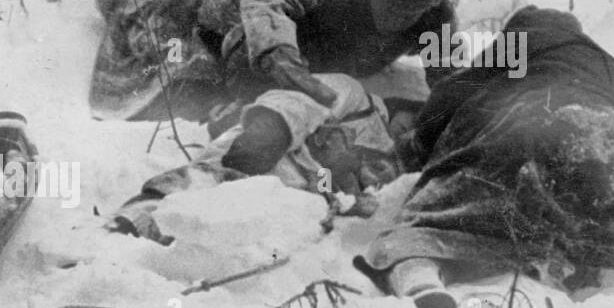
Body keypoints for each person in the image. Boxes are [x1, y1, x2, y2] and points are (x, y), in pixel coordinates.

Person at [353, 6, 614, 308]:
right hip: (610, 146)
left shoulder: (529, 39)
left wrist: (412, 151)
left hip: (530, 129)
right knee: (580, 211)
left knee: (441, 215)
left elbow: (452, 95)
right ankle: (563, 257)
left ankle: (418, 274)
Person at [46, 0, 455, 123]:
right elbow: (268, 0)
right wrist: (278, 54)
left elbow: (449, 80)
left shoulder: (435, 21)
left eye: (413, 5)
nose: (399, 12)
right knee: (151, 33)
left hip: (295, 44)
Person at [109, 73, 416, 241]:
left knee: (216, 227)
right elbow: (301, 97)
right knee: (204, 181)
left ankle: (160, 251)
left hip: (293, 196)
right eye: (409, 122)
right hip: (267, 150)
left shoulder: (392, 164)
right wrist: (273, 130)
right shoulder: (356, 95)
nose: (406, 133)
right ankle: (123, 225)